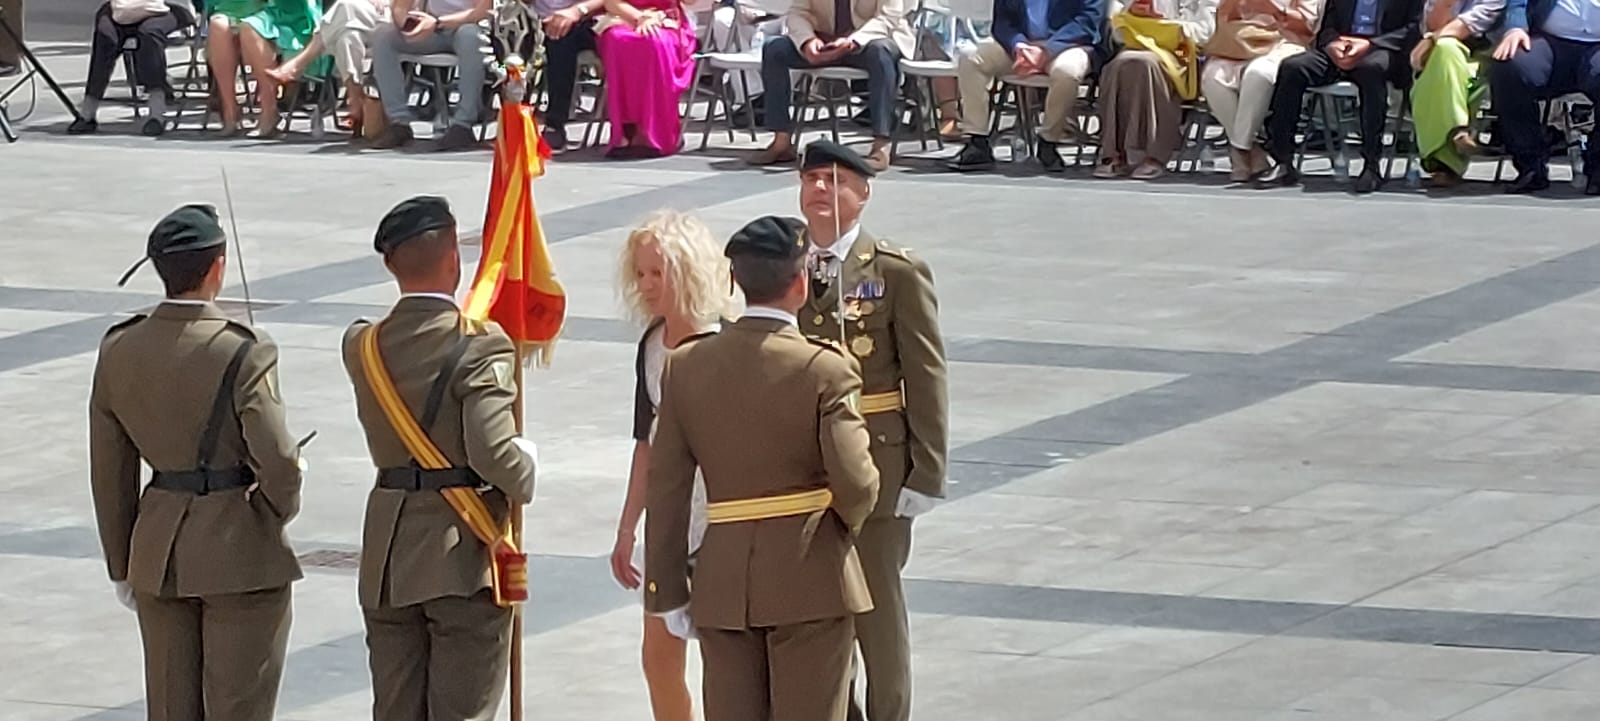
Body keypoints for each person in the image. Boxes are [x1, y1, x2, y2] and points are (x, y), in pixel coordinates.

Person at [642, 214, 880, 721]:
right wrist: (839, 530)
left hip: (722, 579)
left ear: (734, 281)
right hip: (810, 572)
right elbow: (857, 482)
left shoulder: (684, 366)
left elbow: (666, 489)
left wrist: (665, 589)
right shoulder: (825, 367)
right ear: (800, 285)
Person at [90, 203, 306, 721]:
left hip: (157, 552)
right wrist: (272, 512)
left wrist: (123, 564)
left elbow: (110, 471)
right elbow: (278, 460)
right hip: (238, 549)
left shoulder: (119, 347)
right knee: (239, 707)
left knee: (170, 707)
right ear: (217, 267)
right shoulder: (243, 349)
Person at [341, 195, 539, 721]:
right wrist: (527, 468)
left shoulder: (361, 345)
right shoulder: (480, 345)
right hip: (460, 555)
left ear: (389, 265)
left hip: (388, 555)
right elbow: (493, 451)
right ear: (454, 258)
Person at [794, 140, 947, 721]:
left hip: (879, 464)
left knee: (877, 611)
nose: (820, 191)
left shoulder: (893, 270)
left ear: (863, 193)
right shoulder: (786, 262)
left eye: (835, 181)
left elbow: (925, 372)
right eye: (811, 180)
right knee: (818, 611)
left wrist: (927, 471)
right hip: (803, 462)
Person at [609, 210, 733, 721]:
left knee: (725, 663)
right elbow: (647, 443)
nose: (645, 285)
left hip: (722, 523)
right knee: (658, 658)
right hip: (668, 523)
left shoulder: (727, 343)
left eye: (657, 273)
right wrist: (626, 528)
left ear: (688, 270)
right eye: (639, 273)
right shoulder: (651, 346)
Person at [1258, 0, 1425, 192]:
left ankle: (1371, 165)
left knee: (1370, 70)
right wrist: (1332, 45)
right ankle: (1283, 161)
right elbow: (1327, 27)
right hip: (1341, 50)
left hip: (1383, 50)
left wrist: (1370, 44)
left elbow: (1412, 31)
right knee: (1293, 68)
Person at [745, 0, 917, 170]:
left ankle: (881, 145)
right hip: (825, 40)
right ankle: (781, 141)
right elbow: (798, 13)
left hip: (870, 39)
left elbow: (888, 18)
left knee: (881, 52)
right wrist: (807, 41)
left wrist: (853, 41)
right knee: (774, 48)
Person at [945, 0, 1109, 172]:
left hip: (1069, 45)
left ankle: (1049, 142)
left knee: (1066, 72)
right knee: (971, 59)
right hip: (1023, 48)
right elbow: (1002, 22)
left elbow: (1087, 22)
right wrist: (1018, 44)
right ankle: (977, 142)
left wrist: (1048, 50)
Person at [1199, 0, 1325, 182]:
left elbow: (1307, 26)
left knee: (1258, 74)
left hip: (1285, 41)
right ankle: (1253, 149)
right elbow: (1226, 17)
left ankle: (1239, 149)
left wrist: (1275, 8)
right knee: (1212, 77)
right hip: (1242, 42)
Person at [1094, 0, 1219, 179]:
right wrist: (1134, 16)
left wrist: (1166, 26)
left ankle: (1154, 155)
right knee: (1118, 65)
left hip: (1182, 54)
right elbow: (1117, 29)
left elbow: (1206, 33)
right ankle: (1114, 152)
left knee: (1145, 64)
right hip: (1137, 44)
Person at [1488, 0, 1600, 194]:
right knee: (1511, 65)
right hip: (1550, 41)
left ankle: (1598, 168)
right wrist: (1515, 28)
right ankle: (1530, 165)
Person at [368, 0, 494, 151]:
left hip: (469, 26)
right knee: (383, 36)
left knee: (471, 37)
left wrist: (437, 23)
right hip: (432, 30)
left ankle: (463, 124)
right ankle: (399, 122)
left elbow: (483, 11)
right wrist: (410, 25)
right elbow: (400, 7)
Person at [1409, 0, 1505, 186]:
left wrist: (1431, 39)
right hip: (1442, 57)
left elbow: (1475, 22)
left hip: (1485, 56)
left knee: (1445, 55)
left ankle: (1442, 162)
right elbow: (1431, 25)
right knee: (1446, 51)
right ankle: (1458, 131)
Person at [265, 0, 390, 140]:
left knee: (345, 5)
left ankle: (297, 64)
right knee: (347, 39)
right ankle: (356, 106)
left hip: (396, 18)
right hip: (363, 18)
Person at [70, 0, 196, 137]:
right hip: (123, 8)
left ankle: (156, 113)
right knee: (106, 33)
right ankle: (88, 112)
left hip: (169, 8)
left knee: (149, 33)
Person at [595, 0, 699, 157]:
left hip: (664, 18)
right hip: (625, 16)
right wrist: (639, 17)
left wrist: (654, 18)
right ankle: (625, 129)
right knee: (618, 39)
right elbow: (611, 2)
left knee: (655, 42)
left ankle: (653, 132)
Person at [206, 0, 324, 138]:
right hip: (243, 8)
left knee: (250, 27)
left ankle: (269, 111)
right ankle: (230, 111)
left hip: (289, 13)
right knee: (218, 25)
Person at [536, 0, 604, 151]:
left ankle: (554, 123)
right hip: (534, 21)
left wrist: (577, 11)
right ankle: (512, 120)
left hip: (584, 18)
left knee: (560, 39)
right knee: (505, 50)